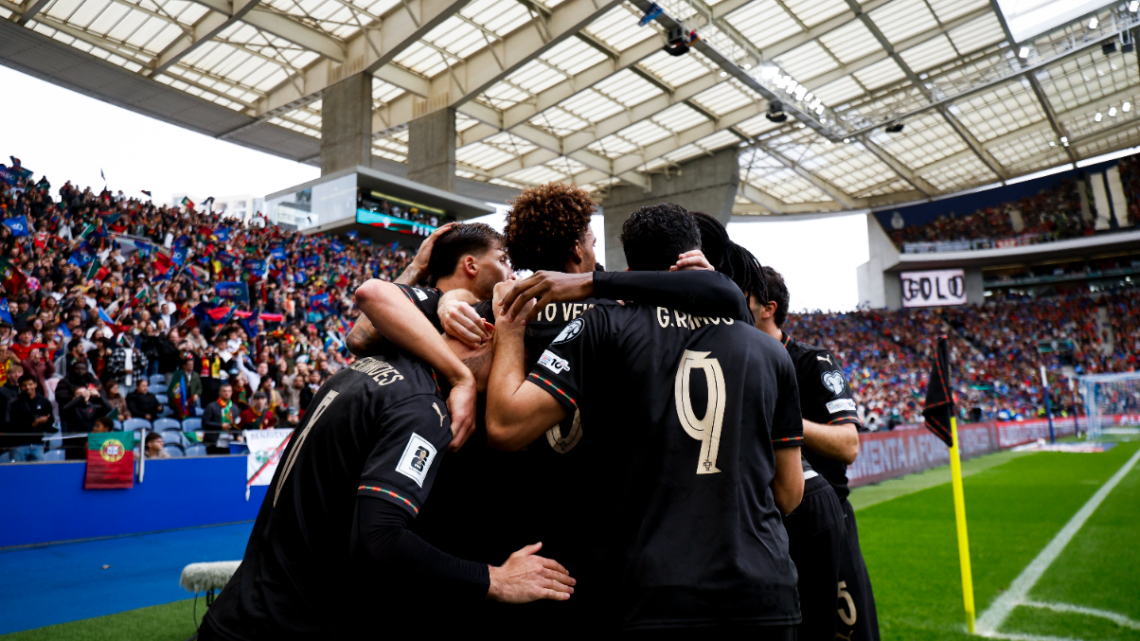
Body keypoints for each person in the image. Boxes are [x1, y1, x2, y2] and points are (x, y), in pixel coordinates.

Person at [485, 204, 804, 634]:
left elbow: (506, 427)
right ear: (694, 256)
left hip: (651, 592)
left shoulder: (603, 326)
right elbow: (788, 494)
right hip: (764, 594)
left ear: (631, 266)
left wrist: (508, 330)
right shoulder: (770, 351)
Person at [199, 278, 575, 641]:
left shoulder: (361, 370)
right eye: (516, 363)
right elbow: (381, 536)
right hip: (289, 625)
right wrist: (493, 579)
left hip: (241, 610)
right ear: (486, 334)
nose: (513, 380)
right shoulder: (423, 407)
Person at [753, 265, 879, 641]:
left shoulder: (812, 362)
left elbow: (849, 445)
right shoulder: (741, 360)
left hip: (827, 521)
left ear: (768, 307)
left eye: (745, 296)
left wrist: (786, 422)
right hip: (772, 525)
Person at [6, 374, 54, 461]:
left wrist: (45, 422)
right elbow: (8, 425)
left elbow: (51, 421)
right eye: (24, 385)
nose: (28, 387)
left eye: (30, 384)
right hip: (19, 445)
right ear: (20, 387)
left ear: (35, 384)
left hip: (38, 444)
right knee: (18, 472)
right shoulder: (13, 403)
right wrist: (31, 425)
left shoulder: (44, 402)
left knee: (37, 472)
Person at [203, 382, 240, 452]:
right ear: (219, 393)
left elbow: (238, 424)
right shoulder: (211, 406)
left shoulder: (234, 407)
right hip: (215, 441)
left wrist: (238, 435)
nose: (227, 393)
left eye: (229, 391)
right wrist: (220, 426)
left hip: (231, 440)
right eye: (224, 391)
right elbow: (205, 423)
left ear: (232, 393)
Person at [169, 353, 202, 418]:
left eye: (192, 364)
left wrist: (197, 394)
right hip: (180, 406)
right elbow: (173, 391)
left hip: (191, 404)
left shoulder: (196, 375)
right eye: (189, 364)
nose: (191, 366)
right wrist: (182, 402)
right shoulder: (178, 376)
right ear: (184, 366)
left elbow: (200, 387)